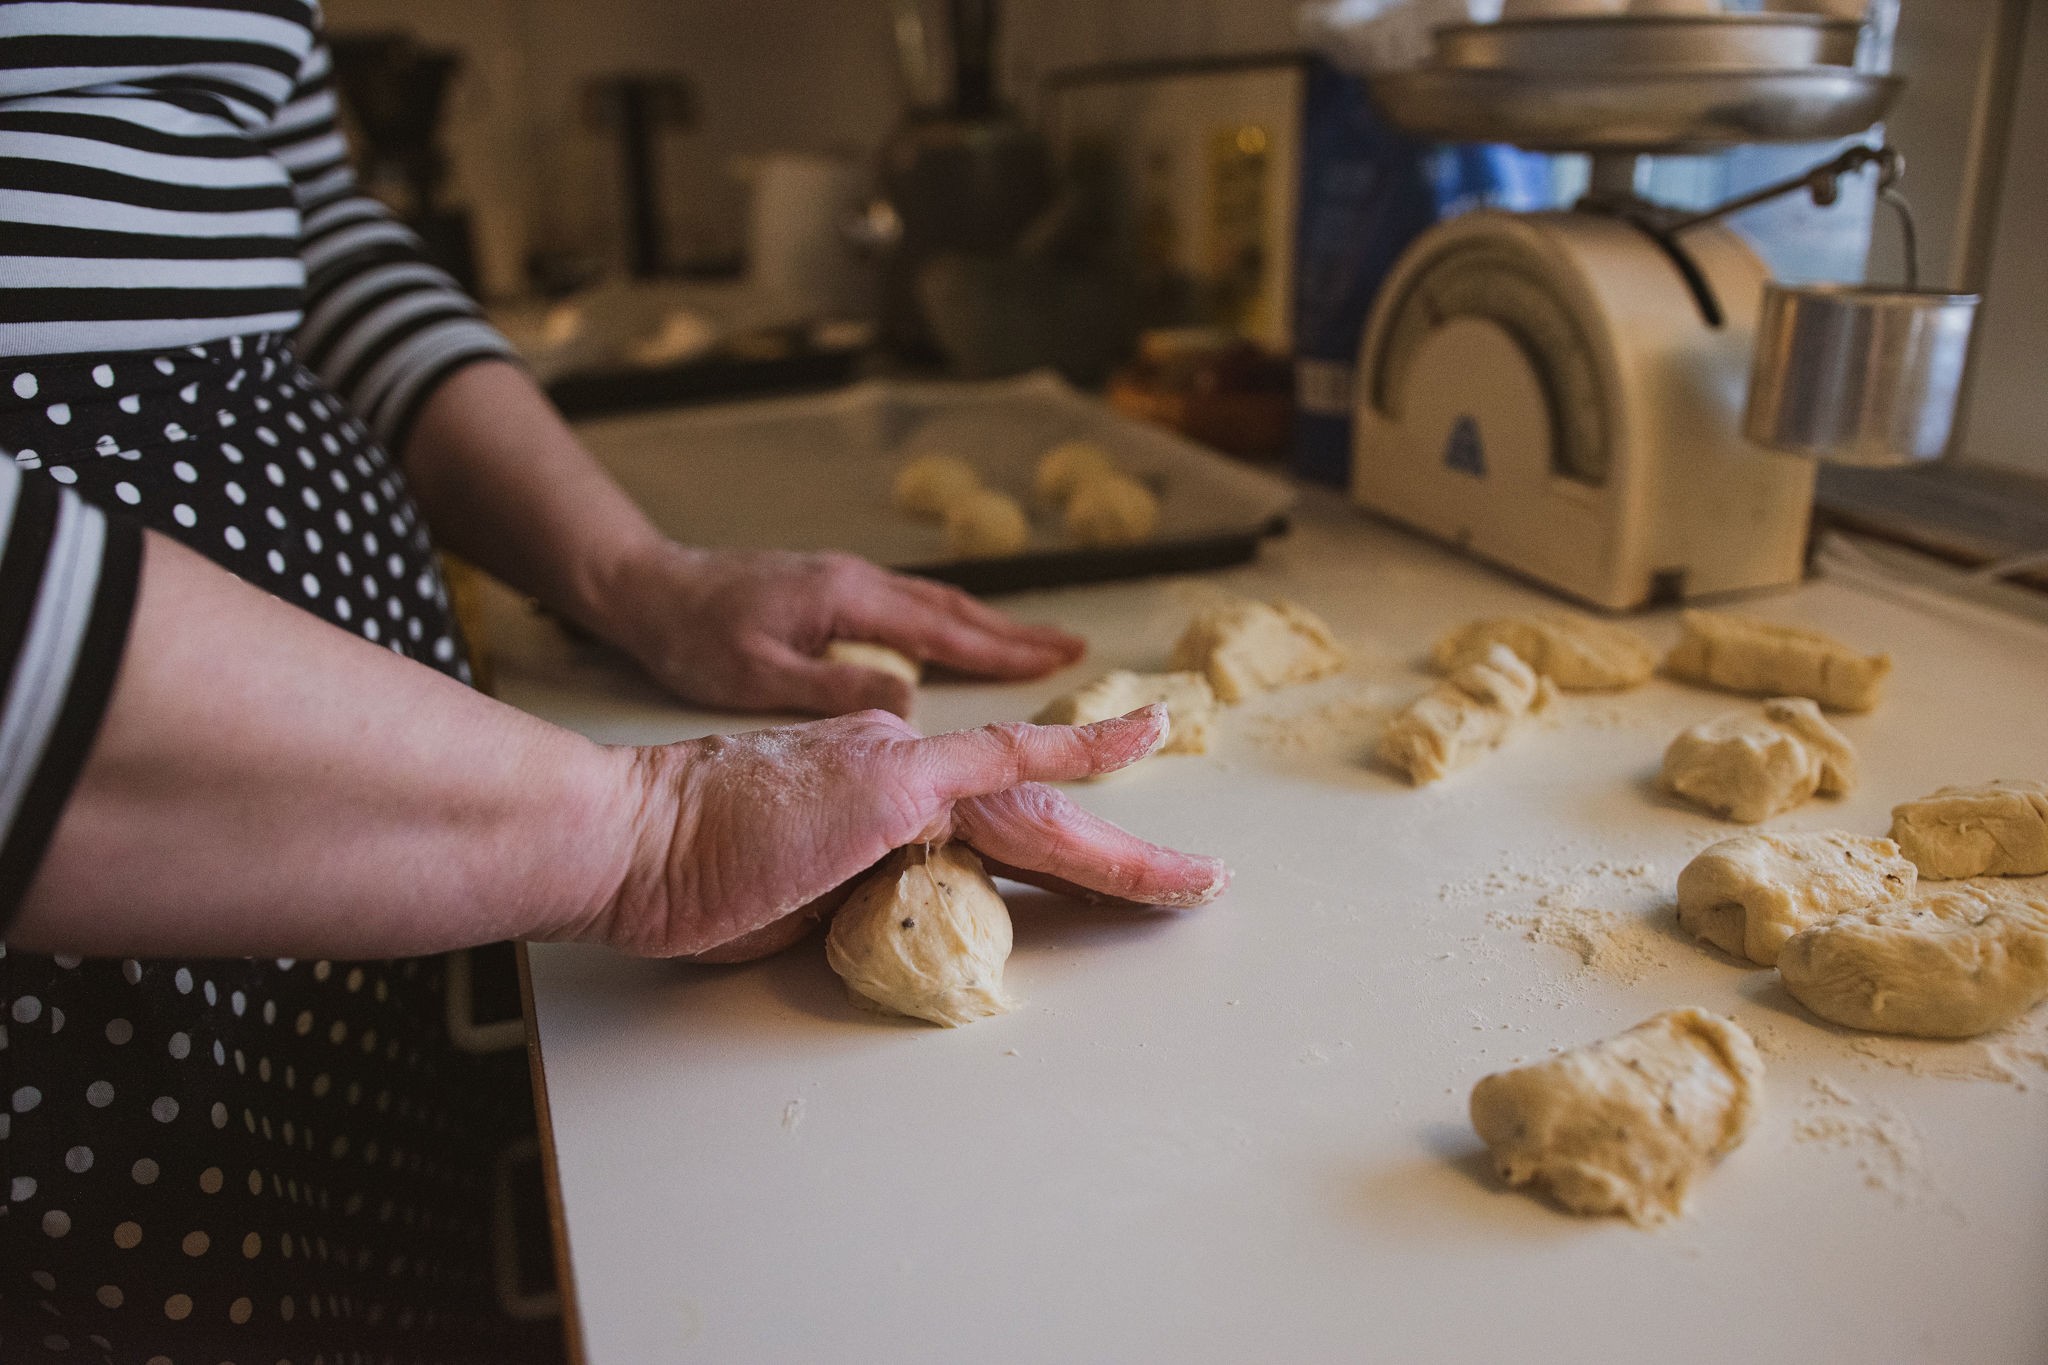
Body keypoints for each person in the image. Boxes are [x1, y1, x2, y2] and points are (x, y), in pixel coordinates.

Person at [0, 6, 1228, 1362]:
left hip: (352, 811)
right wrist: (648, 833)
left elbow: (302, 217)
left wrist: (633, 571)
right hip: (84, 883)